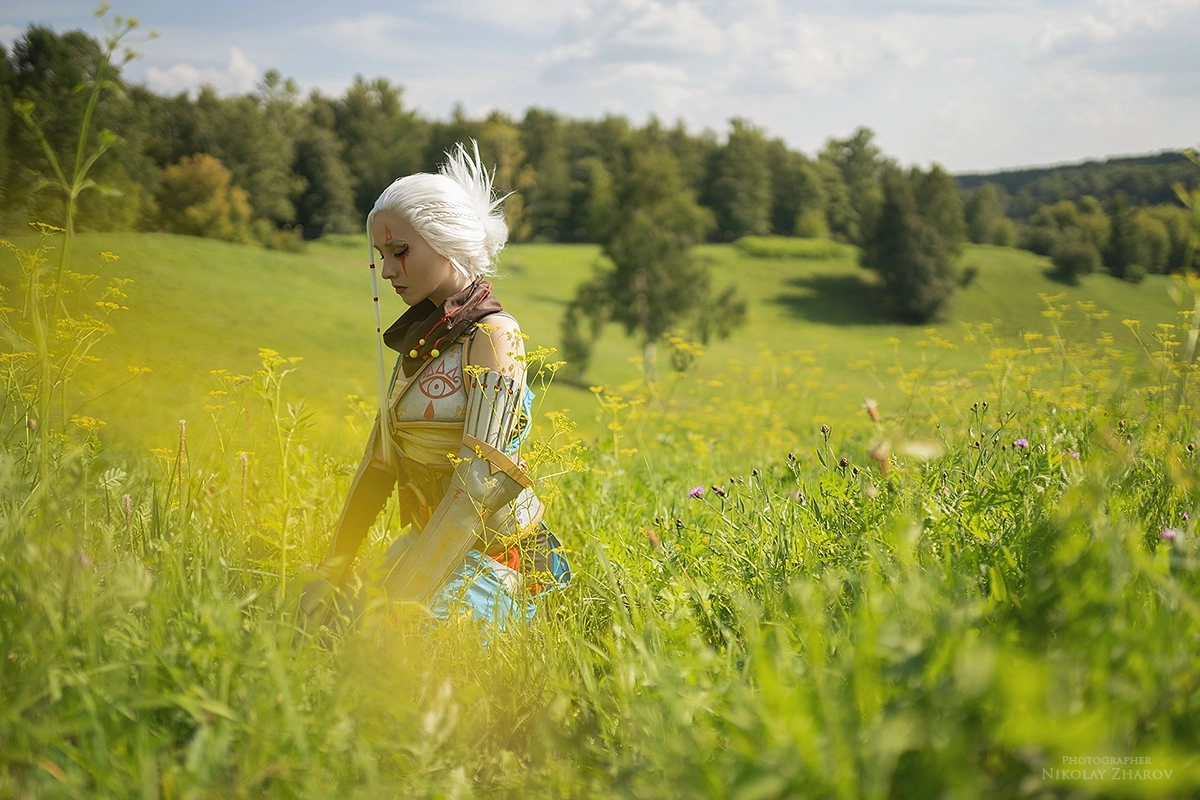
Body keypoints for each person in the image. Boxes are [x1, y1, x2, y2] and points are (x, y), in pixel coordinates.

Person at [300, 142, 570, 630]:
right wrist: (333, 570)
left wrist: (406, 593)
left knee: (410, 642)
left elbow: (479, 485)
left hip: (495, 557)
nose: (386, 270)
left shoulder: (494, 337)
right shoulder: (418, 340)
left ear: (445, 241)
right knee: (324, 625)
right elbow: (378, 463)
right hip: (428, 545)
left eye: (400, 251)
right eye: (381, 255)